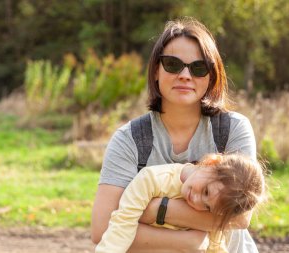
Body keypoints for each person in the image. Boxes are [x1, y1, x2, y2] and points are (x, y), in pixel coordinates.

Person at [91, 16, 259, 252]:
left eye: (199, 68)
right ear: (156, 70)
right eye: (172, 64)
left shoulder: (233, 130)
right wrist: (191, 241)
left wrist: (152, 210)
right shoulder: (129, 139)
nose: (185, 75)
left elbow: (240, 218)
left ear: (212, 76)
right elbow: (101, 230)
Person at [95, 154, 267, 253]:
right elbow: (123, 222)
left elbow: (216, 247)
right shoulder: (151, 179)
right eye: (206, 191)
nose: (197, 202)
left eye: (208, 208)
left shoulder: (215, 206)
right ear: (212, 163)